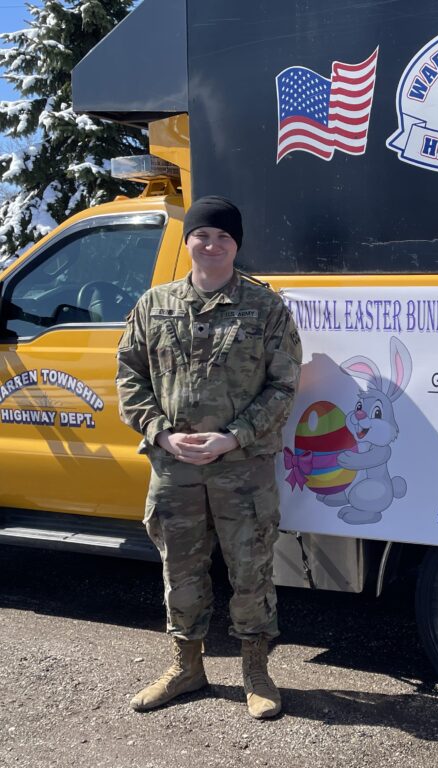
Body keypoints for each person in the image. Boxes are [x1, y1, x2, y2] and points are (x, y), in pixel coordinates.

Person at [116, 195, 302, 719]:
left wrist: (233, 437)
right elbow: (129, 377)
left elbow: (284, 385)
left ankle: (256, 672)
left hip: (242, 467)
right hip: (174, 466)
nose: (212, 244)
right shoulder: (154, 305)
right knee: (181, 569)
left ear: (236, 245)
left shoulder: (266, 308)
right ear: (188, 241)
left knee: (251, 569)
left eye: (223, 236)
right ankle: (186, 667)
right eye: (203, 235)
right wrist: (160, 434)